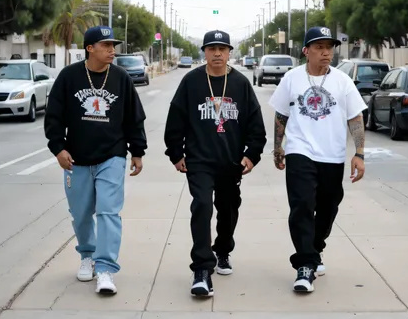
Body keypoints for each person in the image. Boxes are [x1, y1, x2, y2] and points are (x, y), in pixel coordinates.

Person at [44, 25, 147, 295]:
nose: (112, 50)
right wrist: (58, 148)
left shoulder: (121, 77)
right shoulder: (69, 77)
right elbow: (54, 116)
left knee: (108, 212)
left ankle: (105, 269)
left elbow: (134, 117)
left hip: (112, 155)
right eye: (106, 45)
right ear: (90, 48)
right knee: (80, 215)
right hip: (76, 158)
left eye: (113, 45)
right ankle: (87, 255)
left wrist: (137, 151)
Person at [164, 29, 267, 297]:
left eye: (222, 49)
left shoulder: (241, 84)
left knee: (229, 209)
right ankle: (201, 269)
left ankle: (222, 250)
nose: (218, 53)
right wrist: (176, 153)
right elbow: (175, 119)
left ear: (230, 52)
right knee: (201, 206)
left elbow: (256, 126)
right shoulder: (191, 81)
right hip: (199, 161)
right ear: (205, 52)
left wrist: (251, 155)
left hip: (231, 162)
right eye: (212, 49)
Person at [268, 26, 366, 293]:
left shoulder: (342, 81)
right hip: (300, 151)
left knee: (328, 207)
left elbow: (355, 117)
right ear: (306, 51)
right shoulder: (291, 78)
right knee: (301, 205)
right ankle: (305, 265)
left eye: (329, 47)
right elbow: (281, 116)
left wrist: (359, 153)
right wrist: (279, 148)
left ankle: (315, 247)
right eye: (319, 47)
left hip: (332, 155)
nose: (326, 53)